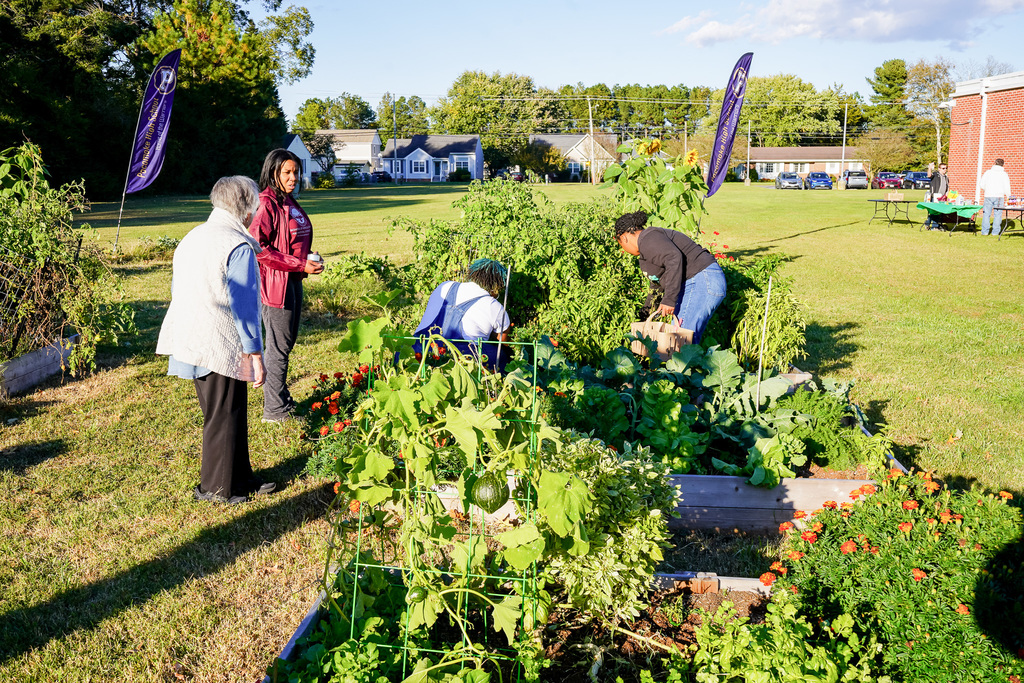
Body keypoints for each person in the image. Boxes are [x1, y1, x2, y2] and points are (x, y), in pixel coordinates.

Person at [156, 176, 274, 504]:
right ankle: (216, 489)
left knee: (228, 410)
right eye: (254, 205)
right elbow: (245, 306)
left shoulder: (194, 236)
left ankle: (241, 479)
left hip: (190, 334)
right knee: (222, 414)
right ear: (246, 208)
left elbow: (176, 289)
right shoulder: (235, 245)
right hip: (219, 340)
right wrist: (255, 353)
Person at [249, 148, 324, 422]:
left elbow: (291, 239)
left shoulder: (288, 200)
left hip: (292, 279)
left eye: (296, 172)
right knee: (278, 346)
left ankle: (280, 397)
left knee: (286, 343)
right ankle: (274, 410)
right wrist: (299, 264)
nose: (294, 177)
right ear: (273, 173)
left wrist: (308, 258)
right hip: (275, 285)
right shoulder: (265, 203)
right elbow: (259, 248)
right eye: (287, 173)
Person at [614, 210, 726, 344]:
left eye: (620, 244)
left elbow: (674, 258)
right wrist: (644, 317)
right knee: (682, 339)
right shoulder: (647, 250)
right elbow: (656, 286)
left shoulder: (648, 238)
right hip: (700, 281)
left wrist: (669, 300)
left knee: (679, 340)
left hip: (702, 279)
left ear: (624, 238)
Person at [412, 259, 511, 371]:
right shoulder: (493, 305)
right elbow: (502, 340)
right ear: (495, 286)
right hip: (459, 359)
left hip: (420, 350)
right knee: (500, 355)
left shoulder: (445, 286)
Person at [980, 158, 1012, 236]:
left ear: (994, 163)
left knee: (986, 214)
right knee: (997, 215)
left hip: (988, 195)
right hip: (999, 196)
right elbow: (1007, 187)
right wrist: (1009, 197)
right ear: (1003, 165)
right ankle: (995, 232)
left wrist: (986, 190)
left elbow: (981, 184)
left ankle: (985, 232)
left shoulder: (988, 172)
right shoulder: (1004, 174)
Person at [925, 162, 949, 231]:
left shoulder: (946, 177)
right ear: (939, 169)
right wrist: (930, 167)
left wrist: (947, 194)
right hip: (935, 196)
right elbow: (929, 175)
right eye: (943, 168)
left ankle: (927, 223)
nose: (945, 170)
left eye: (946, 168)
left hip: (942, 198)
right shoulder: (936, 174)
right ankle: (934, 227)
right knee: (934, 212)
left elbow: (947, 187)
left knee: (936, 212)